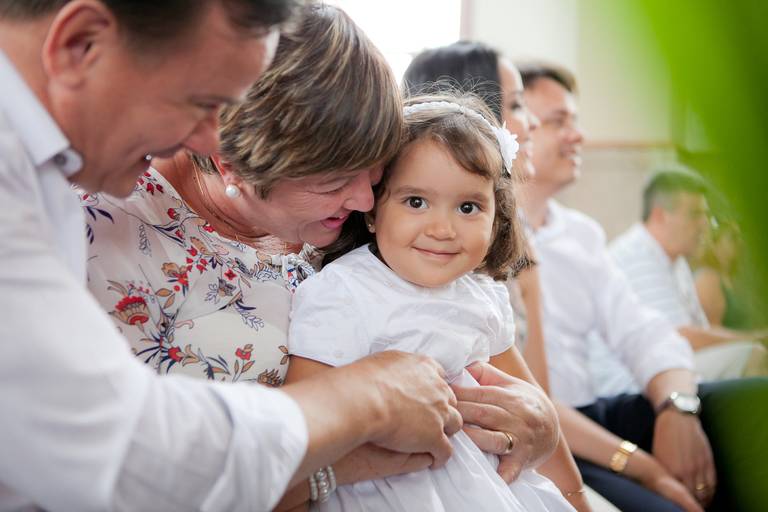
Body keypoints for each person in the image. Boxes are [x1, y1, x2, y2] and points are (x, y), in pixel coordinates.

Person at [78, 5, 560, 511]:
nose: (365, 202)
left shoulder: (369, 223)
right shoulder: (104, 242)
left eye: (375, 174)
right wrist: (338, 464)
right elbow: (109, 480)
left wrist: (542, 429)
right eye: (333, 182)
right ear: (231, 162)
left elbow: (508, 379)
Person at [0, 1, 469, 509]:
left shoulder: (41, 172)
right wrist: (366, 404)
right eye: (199, 101)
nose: (211, 139)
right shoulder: (91, 216)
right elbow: (123, 453)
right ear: (81, 43)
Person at [287, 93, 572, 511]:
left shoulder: (482, 294)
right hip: (388, 491)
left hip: (492, 487)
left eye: (468, 207)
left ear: (497, 220)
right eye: (415, 202)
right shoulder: (343, 291)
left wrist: (577, 496)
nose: (442, 228)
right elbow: (301, 428)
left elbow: (535, 408)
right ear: (371, 210)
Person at [403, 41, 608, 512]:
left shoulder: (507, 256)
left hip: (525, 458)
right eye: (517, 105)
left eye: (470, 207)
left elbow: (539, 404)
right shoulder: (427, 260)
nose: (531, 122)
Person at [517, 62, 725, 512]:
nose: (578, 135)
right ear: (512, 126)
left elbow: (643, 332)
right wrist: (639, 464)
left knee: (750, 404)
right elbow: (528, 399)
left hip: (600, 414)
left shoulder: (581, 234)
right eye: (558, 122)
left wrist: (676, 407)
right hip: (554, 435)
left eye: (575, 120)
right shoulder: (476, 237)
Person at [593, 170, 768, 395]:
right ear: (660, 216)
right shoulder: (634, 255)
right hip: (629, 384)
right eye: (695, 214)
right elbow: (677, 336)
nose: (705, 225)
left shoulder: (676, 261)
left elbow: (697, 330)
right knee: (754, 354)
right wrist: (755, 336)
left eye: (706, 215)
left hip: (668, 367)